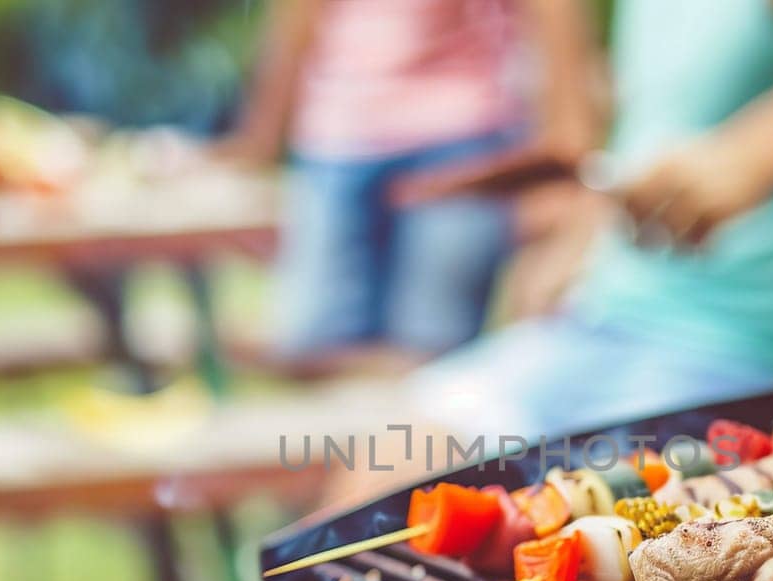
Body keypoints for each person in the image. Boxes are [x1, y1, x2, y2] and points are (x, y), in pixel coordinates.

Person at [410, 0, 773, 440]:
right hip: (597, 322)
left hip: (727, 354)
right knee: (387, 456)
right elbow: (652, 129)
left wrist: (753, 154)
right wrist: (578, 239)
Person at [230, 0, 598, 365]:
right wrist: (258, 139)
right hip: (336, 139)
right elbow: (297, 16)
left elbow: (553, 11)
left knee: (431, 347)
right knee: (313, 346)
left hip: (460, 139)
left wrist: (567, 155)